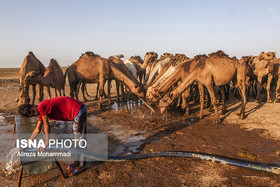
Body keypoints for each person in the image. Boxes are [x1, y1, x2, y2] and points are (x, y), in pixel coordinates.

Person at [18, 96, 87, 176]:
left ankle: (82, 165)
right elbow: (37, 129)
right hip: (75, 111)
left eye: (33, 111)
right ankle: (77, 161)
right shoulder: (40, 112)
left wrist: (46, 142)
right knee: (78, 139)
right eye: (33, 115)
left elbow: (46, 126)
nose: (35, 114)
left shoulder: (41, 107)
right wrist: (27, 144)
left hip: (78, 110)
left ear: (33, 105)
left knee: (79, 138)